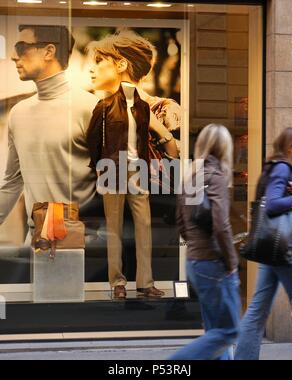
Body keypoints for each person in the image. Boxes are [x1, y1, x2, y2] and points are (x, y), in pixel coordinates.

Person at [87, 30, 179, 299]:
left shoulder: (143, 108)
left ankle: (145, 283)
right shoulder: (103, 106)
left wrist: (168, 148)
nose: (94, 69)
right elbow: (93, 140)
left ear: (121, 65)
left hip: (137, 169)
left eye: (100, 61)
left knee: (143, 226)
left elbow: (162, 137)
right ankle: (117, 283)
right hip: (112, 170)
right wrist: (100, 167)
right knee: (113, 228)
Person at [0, 25, 99, 234]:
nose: (13, 56)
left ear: (49, 51)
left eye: (21, 46)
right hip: (39, 241)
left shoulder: (90, 108)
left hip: (85, 243)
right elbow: (12, 183)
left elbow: (112, 185)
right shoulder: (18, 113)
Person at [170, 124, 240, 360]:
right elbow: (221, 225)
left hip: (195, 261)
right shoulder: (217, 177)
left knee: (215, 331)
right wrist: (232, 262)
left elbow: (180, 221)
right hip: (213, 263)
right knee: (229, 331)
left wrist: (194, 245)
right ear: (225, 148)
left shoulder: (190, 175)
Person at [235, 127, 292, 360]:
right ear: (289, 146)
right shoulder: (282, 168)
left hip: (273, 250)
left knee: (257, 311)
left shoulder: (274, 167)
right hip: (287, 250)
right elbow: (272, 205)